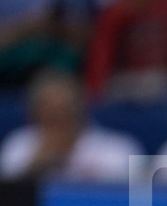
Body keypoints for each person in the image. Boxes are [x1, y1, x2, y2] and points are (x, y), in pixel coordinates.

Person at [0, 68, 140, 181]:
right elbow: (8, 202)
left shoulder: (117, 149)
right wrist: (37, 165)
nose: (58, 118)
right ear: (34, 112)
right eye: (49, 112)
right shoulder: (18, 145)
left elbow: (126, 203)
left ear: (82, 108)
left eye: (64, 110)